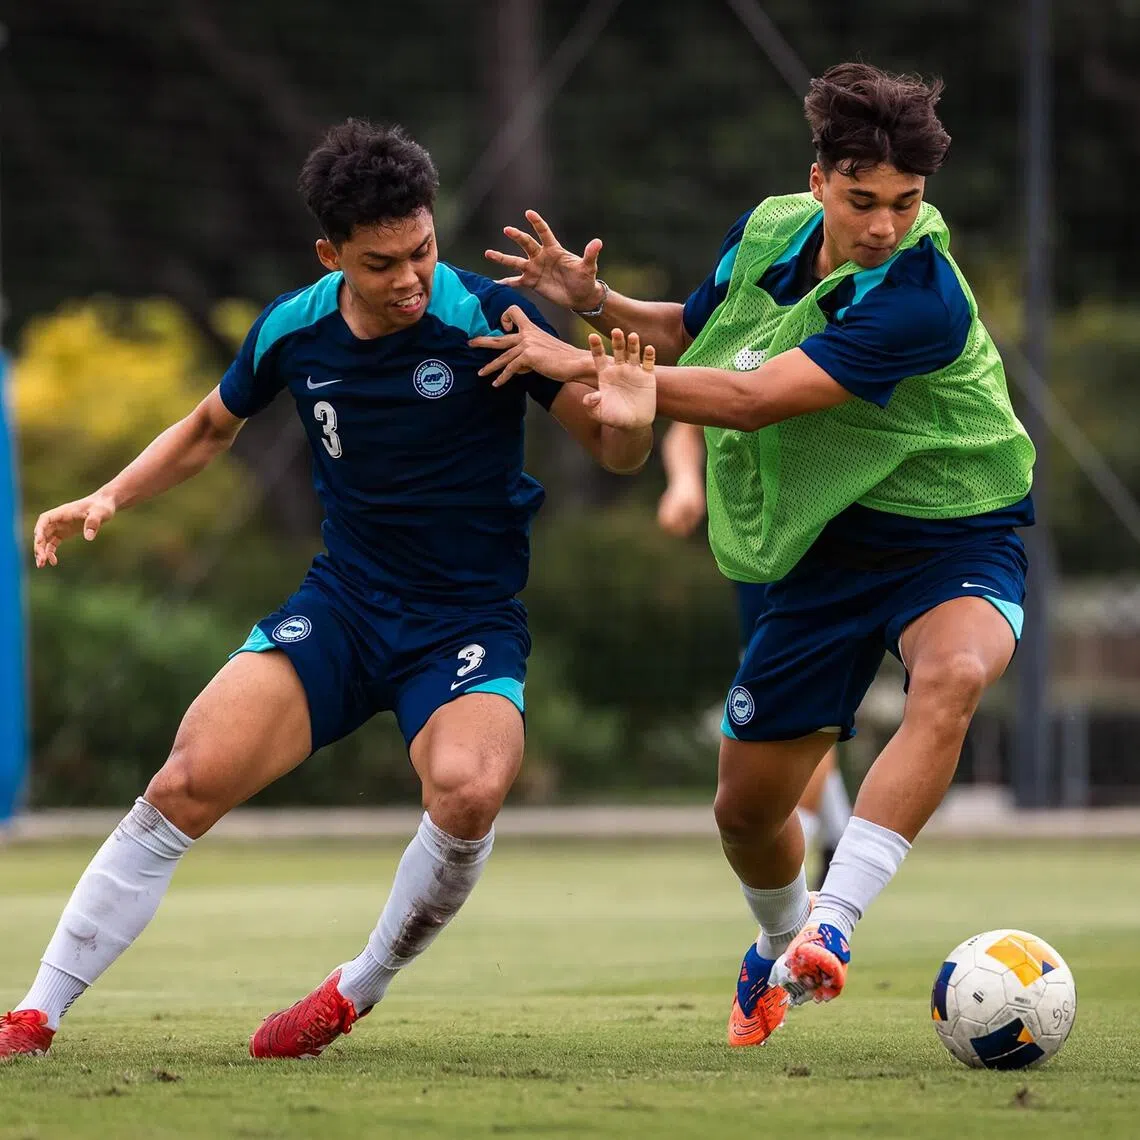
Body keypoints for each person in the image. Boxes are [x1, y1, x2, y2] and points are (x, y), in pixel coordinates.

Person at [1, 120, 655, 1060]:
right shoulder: (293, 327)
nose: (410, 278)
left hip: (465, 620)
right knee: (184, 780)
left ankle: (357, 987)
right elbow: (206, 428)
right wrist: (108, 494)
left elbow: (612, 444)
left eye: (422, 250)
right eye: (382, 261)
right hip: (344, 607)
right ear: (331, 254)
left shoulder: (487, 316)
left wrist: (630, 420)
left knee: (468, 793)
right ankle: (35, 1013)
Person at [476, 62, 1035, 1047]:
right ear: (817, 181)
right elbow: (692, 337)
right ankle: (779, 943)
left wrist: (576, 361)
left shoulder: (923, 297)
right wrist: (596, 304)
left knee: (949, 677)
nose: (884, 225)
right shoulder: (771, 228)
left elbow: (754, 396)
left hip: (954, 527)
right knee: (745, 811)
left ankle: (833, 925)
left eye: (906, 204)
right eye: (863, 201)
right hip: (822, 547)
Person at [657, 419, 853, 889]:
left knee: (802, 707)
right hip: (757, 551)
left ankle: (800, 874)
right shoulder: (728, 342)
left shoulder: (837, 344)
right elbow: (687, 423)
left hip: (832, 543)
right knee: (789, 705)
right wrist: (685, 482)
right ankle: (837, 842)